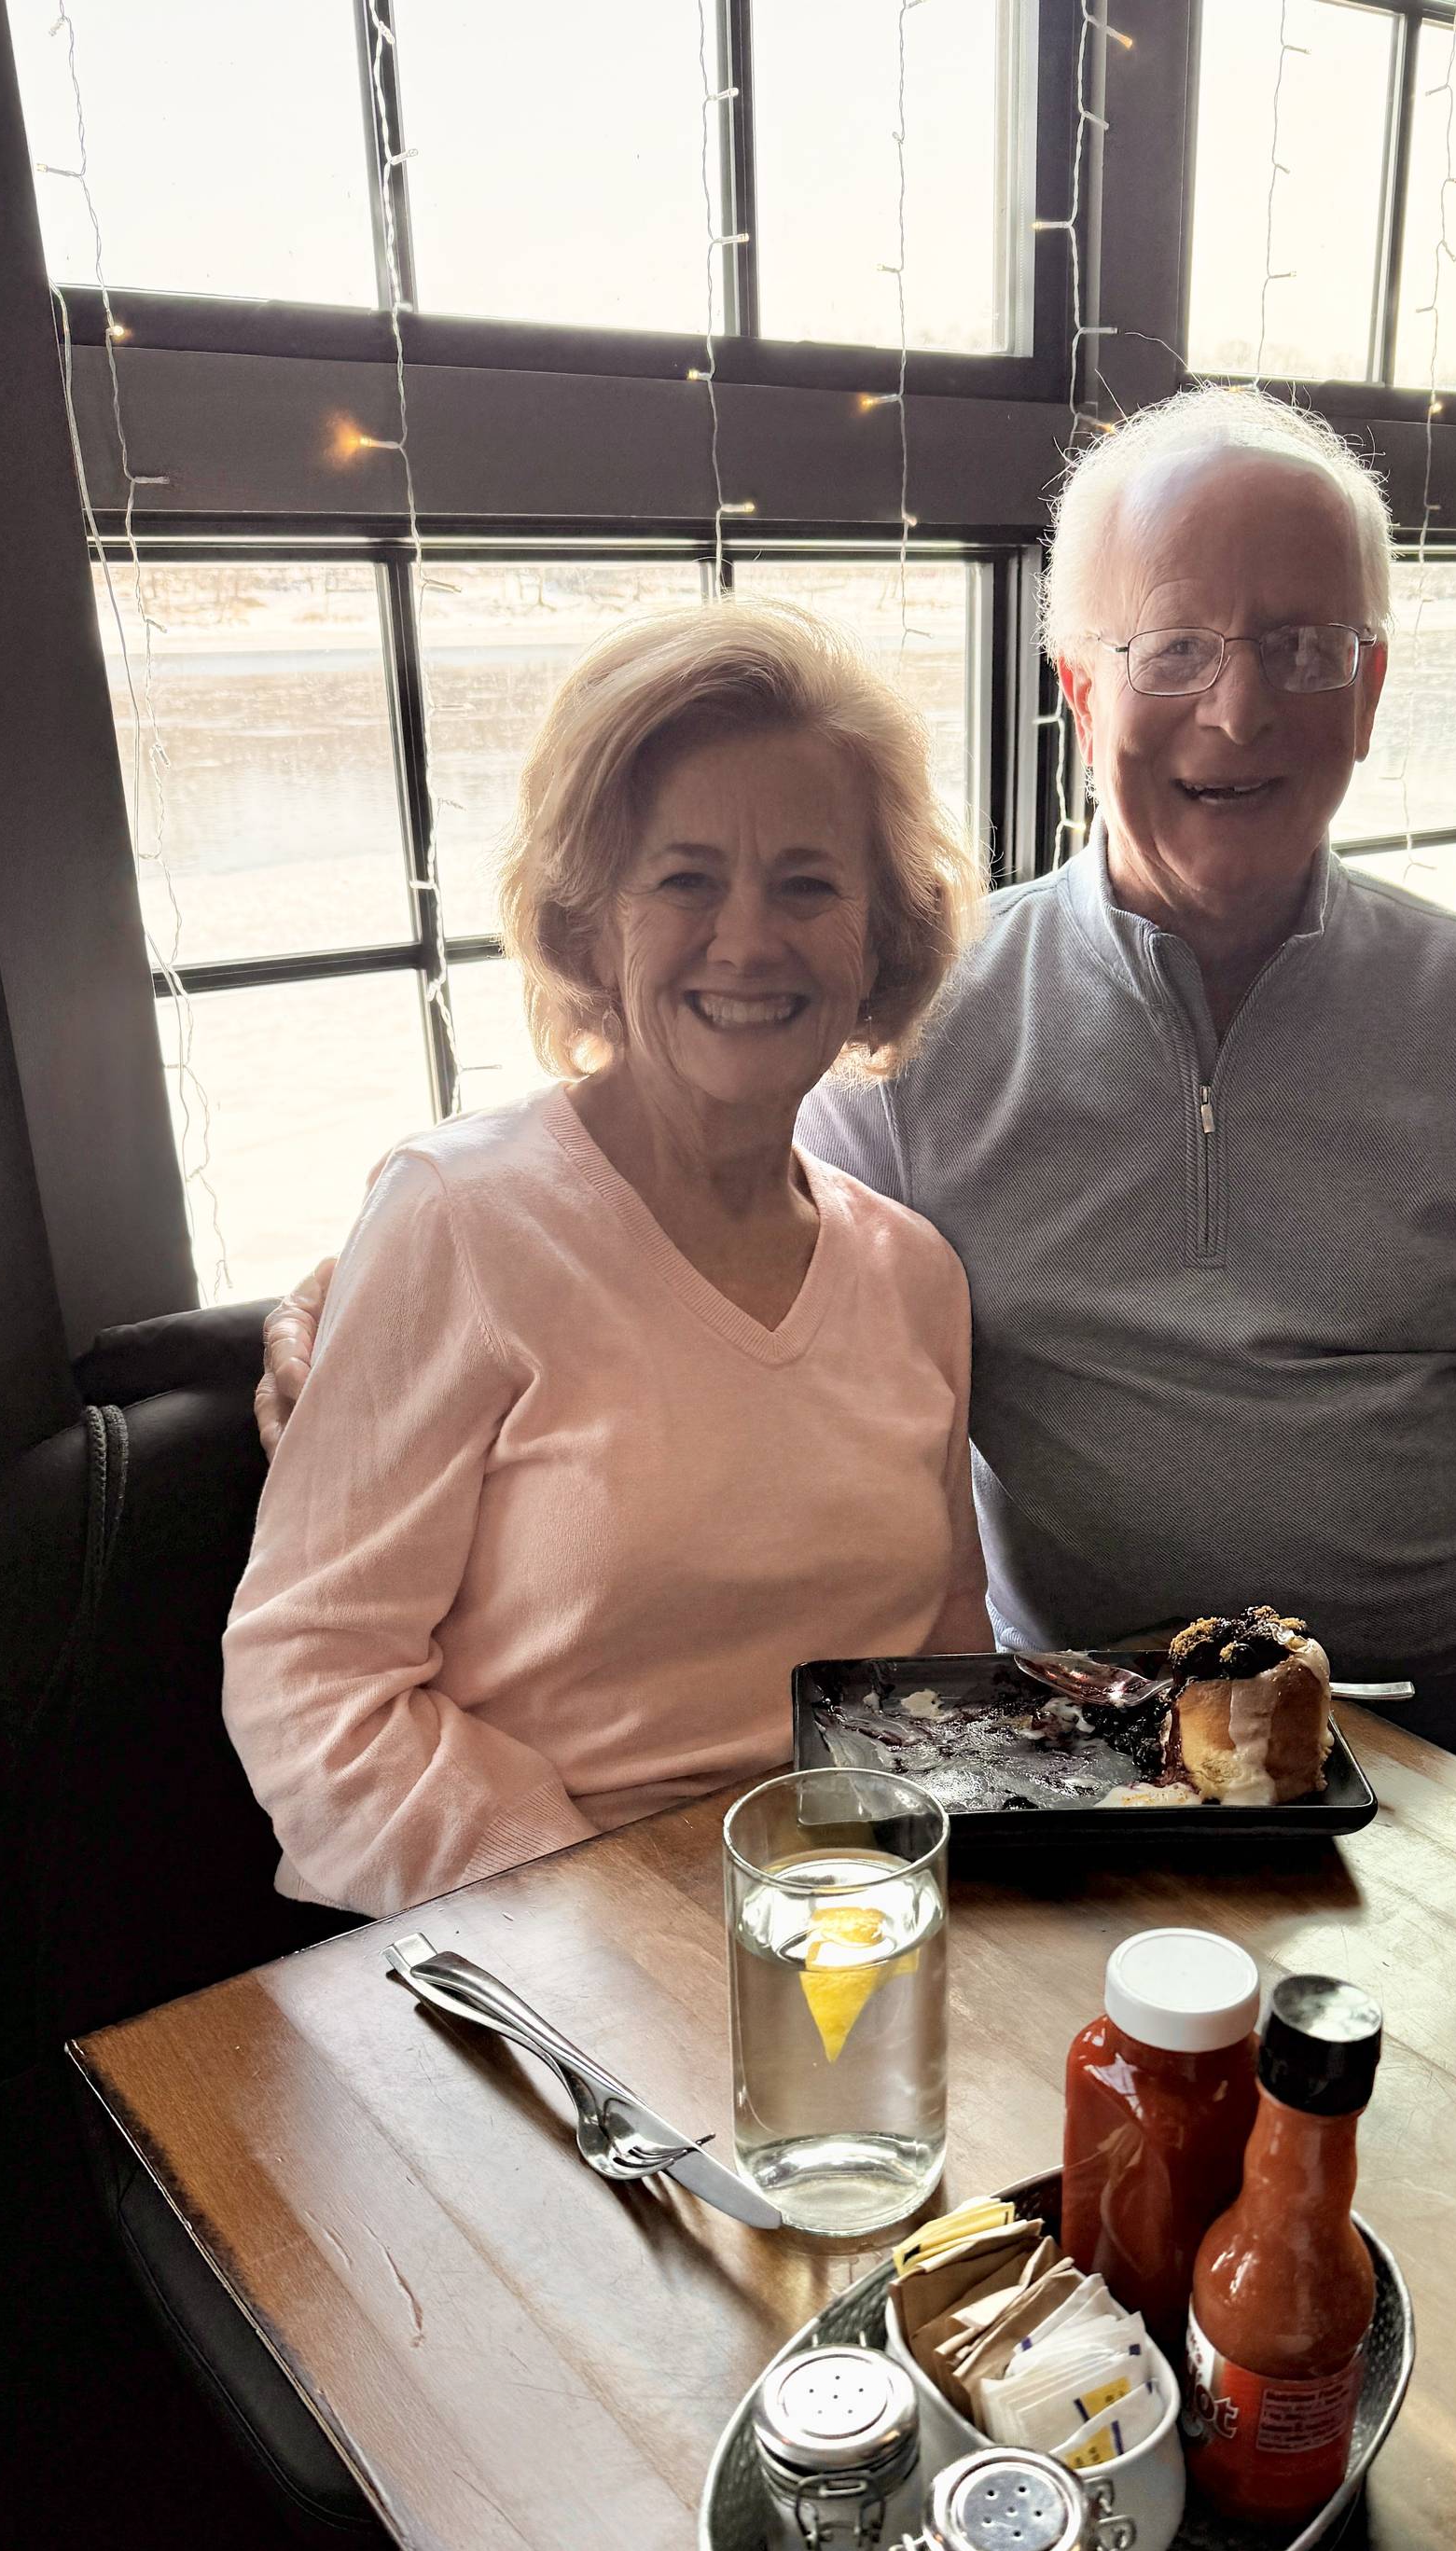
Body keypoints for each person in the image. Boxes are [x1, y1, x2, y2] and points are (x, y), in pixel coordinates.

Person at [259, 391, 1456, 1963]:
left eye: (1303, 649)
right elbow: (660, 1210)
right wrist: (376, 1290)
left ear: (1371, 688)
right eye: (1173, 647)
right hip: (1102, 1718)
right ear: (1078, 692)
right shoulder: (922, 1034)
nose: (1238, 711)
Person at [224, 604, 990, 1919]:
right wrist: (613, 1930)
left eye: (808, 883)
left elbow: (946, 1656)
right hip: (526, 1950)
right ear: (586, 929)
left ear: (881, 941)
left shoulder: (917, 1275)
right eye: (684, 878)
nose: (748, 941)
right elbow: (310, 1685)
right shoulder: (456, 1221)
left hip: (844, 1932)